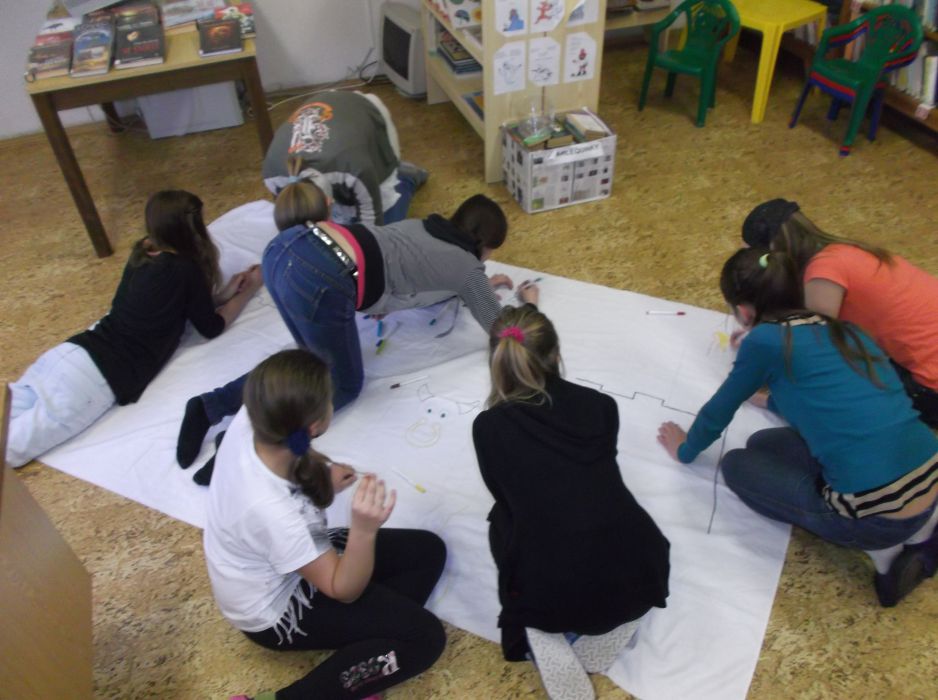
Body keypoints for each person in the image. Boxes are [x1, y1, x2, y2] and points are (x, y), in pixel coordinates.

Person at [658, 248, 938, 608]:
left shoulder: (764, 341)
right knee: (764, 441)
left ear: (744, 312)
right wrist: (768, 402)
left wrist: (685, 450)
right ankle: (924, 525)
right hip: (929, 470)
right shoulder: (844, 328)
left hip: (876, 518)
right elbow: (831, 402)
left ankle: (883, 552)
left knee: (736, 464)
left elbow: (718, 412)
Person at [177, 193, 539, 468]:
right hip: (323, 276)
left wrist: (477, 288)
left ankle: (209, 407)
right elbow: (505, 332)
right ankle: (247, 448)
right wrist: (528, 305)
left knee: (303, 363)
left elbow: (429, 279)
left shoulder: (421, 226)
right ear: (483, 245)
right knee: (341, 384)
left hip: (285, 248)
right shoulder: (466, 268)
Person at [204, 349, 446, 700]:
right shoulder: (276, 510)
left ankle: (362, 648)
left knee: (427, 552)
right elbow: (343, 589)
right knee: (425, 638)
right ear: (314, 426)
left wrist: (320, 475)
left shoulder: (256, 416)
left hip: (278, 560)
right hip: (274, 609)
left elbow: (296, 453)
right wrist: (363, 530)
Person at [473, 305, 670, 699]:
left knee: (502, 519)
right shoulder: (601, 405)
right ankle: (614, 619)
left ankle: (543, 631)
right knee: (604, 518)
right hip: (636, 565)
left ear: (497, 362)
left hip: (551, 589)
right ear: (557, 355)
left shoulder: (488, 427)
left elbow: (504, 494)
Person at [5, 190, 262, 468]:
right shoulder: (186, 269)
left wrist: (225, 294)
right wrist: (250, 290)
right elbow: (211, 327)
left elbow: (178, 304)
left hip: (69, 354)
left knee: (6, 413)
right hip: (95, 379)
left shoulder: (143, 251)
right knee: (8, 453)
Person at [741, 198, 938, 427]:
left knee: (836, 386)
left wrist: (762, 353)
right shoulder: (845, 250)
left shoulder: (823, 272)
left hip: (931, 386)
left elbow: (813, 347)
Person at [262, 90, 428, 226]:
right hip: (336, 118)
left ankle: (406, 177)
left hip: (366, 112)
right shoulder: (273, 177)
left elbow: (372, 227)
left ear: (329, 203)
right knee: (343, 223)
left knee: (389, 228)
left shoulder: (354, 167)